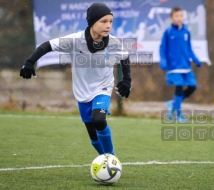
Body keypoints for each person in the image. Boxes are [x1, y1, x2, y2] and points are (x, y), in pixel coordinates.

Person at [19, 2, 132, 155]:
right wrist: (30, 62)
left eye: (110, 21)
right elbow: (47, 45)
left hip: (103, 87)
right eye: (103, 21)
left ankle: (111, 158)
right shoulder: (75, 40)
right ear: (92, 22)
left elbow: (125, 57)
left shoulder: (113, 43)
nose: (108, 25)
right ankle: (103, 158)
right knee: (92, 134)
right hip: (82, 91)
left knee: (98, 120)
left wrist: (127, 80)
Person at [159, 7, 201, 122]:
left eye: (181, 16)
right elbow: (162, 48)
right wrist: (163, 61)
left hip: (186, 66)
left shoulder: (186, 31)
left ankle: (173, 103)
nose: (179, 18)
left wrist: (196, 59)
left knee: (193, 86)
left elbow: (189, 48)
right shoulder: (168, 32)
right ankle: (179, 116)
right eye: (176, 16)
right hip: (173, 67)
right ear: (171, 18)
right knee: (179, 85)